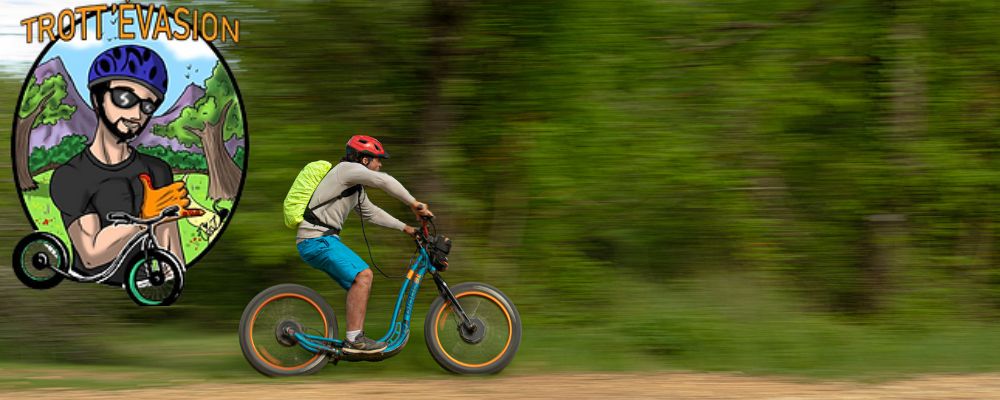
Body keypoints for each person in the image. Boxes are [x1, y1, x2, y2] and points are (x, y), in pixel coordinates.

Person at [50, 45, 192, 281]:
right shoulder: (71, 176)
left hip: (149, 293)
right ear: (97, 99)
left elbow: (171, 253)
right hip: (93, 297)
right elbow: (91, 255)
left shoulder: (158, 170)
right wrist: (146, 218)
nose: (137, 115)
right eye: (125, 98)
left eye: (148, 106)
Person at [296, 135, 433, 353]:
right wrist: (414, 203)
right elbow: (385, 181)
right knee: (364, 275)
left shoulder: (355, 188)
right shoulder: (346, 170)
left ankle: (353, 337)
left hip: (319, 240)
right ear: (363, 160)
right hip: (318, 239)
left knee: (359, 282)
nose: (380, 165)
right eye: (377, 159)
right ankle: (354, 340)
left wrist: (406, 228)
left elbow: (372, 213)